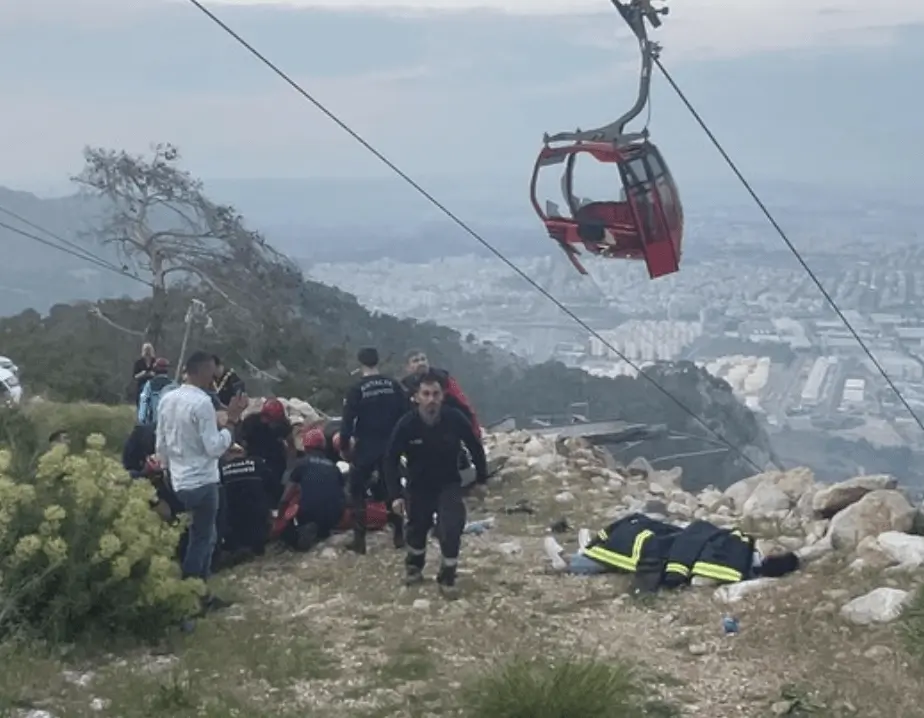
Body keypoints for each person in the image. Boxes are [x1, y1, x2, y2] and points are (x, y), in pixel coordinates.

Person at [156, 350, 247, 613]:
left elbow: (160, 441)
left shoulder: (168, 398)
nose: (214, 378)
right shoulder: (202, 403)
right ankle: (191, 597)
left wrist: (166, 470)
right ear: (203, 372)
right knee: (202, 539)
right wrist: (231, 422)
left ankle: (201, 594)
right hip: (203, 481)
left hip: (177, 479)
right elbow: (214, 448)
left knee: (203, 535)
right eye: (211, 373)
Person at [383, 369, 488, 598]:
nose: (431, 399)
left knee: (452, 528)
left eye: (436, 394)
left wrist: (481, 479)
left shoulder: (454, 419)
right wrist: (395, 495)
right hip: (418, 486)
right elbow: (390, 459)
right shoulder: (407, 424)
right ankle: (414, 566)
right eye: (426, 394)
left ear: (442, 396)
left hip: (448, 484)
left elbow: (475, 447)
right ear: (417, 397)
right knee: (417, 529)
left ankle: (448, 577)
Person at [542, 513, 802, 591]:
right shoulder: (745, 555)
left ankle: (570, 561)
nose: (772, 544)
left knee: (641, 549)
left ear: (771, 559)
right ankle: (587, 550)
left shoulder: (741, 559)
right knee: (643, 528)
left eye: (777, 549)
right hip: (686, 539)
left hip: (678, 552)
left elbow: (708, 565)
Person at [339, 347, 409, 555]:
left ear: (360, 363)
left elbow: (347, 423)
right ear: (378, 361)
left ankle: (359, 540)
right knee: (392, 488)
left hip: (366, 446)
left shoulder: (357, 389)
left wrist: (344, 447)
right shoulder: (393, 385)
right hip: (390, 445)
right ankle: (398, 535)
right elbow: (406, 415)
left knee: (357, 490)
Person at [278, 427, 347, 551]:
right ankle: (322, 531)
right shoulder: (333, 466)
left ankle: (297, 537)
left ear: (305, 447)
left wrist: (280, 518)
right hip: (336, 516)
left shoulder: (301, 464)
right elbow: (343, 493)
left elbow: (286, 496)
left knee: (292, 510)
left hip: (309, 514)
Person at [401, 349, 481, 438]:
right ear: (407, 367)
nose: (421, 363)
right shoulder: (405, 387)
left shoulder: (445, 380)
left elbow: (464, 404)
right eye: (415, 361)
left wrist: (475, 432)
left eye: (423, 359)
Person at [218, 443, 271, 560]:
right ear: (243, 452)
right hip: (257, 514)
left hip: (234, 516)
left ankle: (239, 550)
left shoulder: (221, 468)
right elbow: (269, 482)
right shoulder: (257, 462)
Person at [239, 398, 294, 505]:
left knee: (276, 489)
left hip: (275, 459)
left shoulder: (283, 425)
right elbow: (242, 444)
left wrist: (290, 468)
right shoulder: (251, 422)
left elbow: (291, 445)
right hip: (254, 458)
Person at [137, 357, 177, 426]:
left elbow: (144, 402)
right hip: (171, 424)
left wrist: (142, 421)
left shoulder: (149, 385)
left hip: (154, 424)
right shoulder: (174, 385)